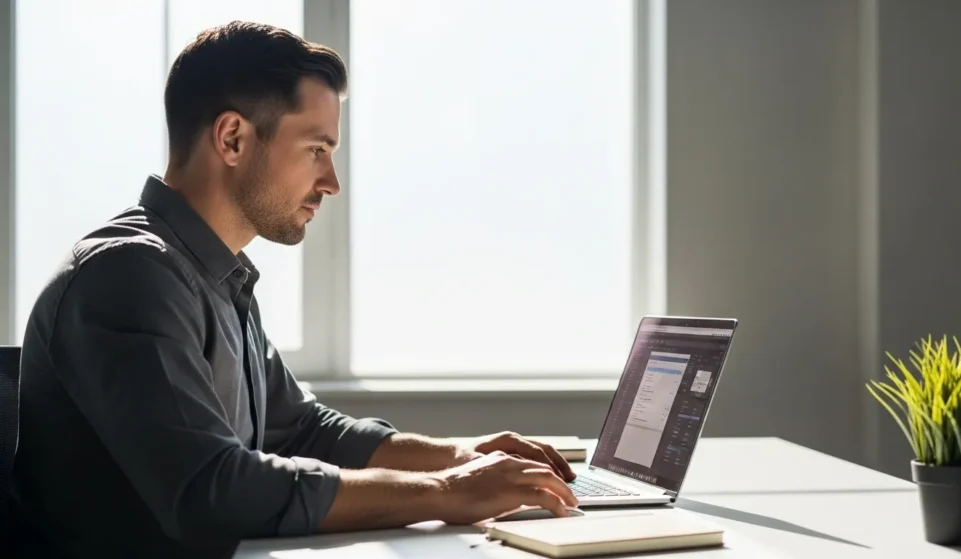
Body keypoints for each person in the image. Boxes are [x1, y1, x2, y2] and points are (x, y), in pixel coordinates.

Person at [10, 21, 578, 559]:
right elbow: (211, 488)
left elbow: (303, 430)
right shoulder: (128, 276)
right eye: (316, 149)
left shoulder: (214, 275)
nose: (331, 182)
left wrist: (461, 455)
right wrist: (442, 491)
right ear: (232, 138)